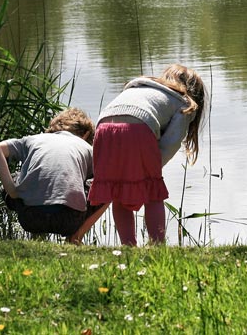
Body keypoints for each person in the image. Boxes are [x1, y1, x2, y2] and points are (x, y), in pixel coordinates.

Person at [88, 64, 206, 246]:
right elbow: (171, 143)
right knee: (153, 193)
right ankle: (157, 245)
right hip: (139, 126)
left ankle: (128, 246)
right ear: (194, 93)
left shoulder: (139, 87)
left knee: (117, 192)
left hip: (103, 127)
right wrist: (150, 170)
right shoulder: (185, 103)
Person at [0, 107, 107, 243]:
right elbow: (106, 178)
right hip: (68, 220)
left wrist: (12, 191)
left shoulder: (33, 139)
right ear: (86, 134)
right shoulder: (86, 147)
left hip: (30, 219)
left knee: (17, 177)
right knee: (109, 188)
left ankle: (37, 236)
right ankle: (75, 238)